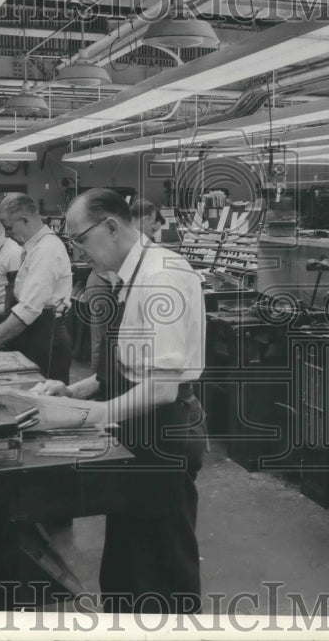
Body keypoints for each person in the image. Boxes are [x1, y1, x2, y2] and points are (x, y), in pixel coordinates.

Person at [32, 188, 207, 614]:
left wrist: (95, 414)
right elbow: (136, 365)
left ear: (111, 226)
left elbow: (163, 386)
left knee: (162, 567)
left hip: (162, 431)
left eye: (79, 239)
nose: (77, 252)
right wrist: (81, 389)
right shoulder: (132, 273)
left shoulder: (162, 277)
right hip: (141, 426)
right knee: (128, 561)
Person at [0, 194, 73, 383]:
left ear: (25, 220)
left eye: (9, 228)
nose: (7, 234)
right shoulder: (32, 248)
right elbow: (21, 303)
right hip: (33, 333)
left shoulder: (46, 250)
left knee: (44, 399)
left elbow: (28, 308)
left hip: (47, 339)